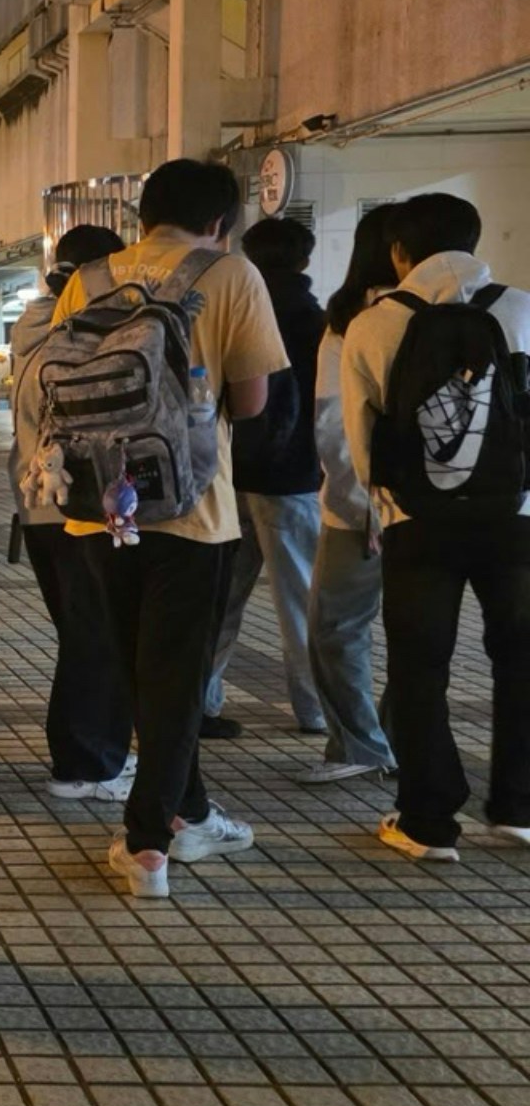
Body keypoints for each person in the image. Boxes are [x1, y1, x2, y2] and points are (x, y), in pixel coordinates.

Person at [29, 160, 281, 897]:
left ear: (142, 217)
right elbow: (253, 401)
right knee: (174, 675)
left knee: (141, 669)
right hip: (194, 509)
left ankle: (189, 812)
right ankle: (148, 846)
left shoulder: (89, 279)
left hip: (97, 507)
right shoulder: (230, 274)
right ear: (220, 221)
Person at [333, 190, 530, 861]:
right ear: (474, 240)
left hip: (418, 522)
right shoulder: (521, 309)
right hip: (514, 519)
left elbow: (360, 437)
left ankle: (428, 822)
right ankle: (519, 807)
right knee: (521, 659)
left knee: (420, 668)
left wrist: (383, 506)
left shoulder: (374, 324)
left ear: (398, 251)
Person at [14, 226, 138, 801]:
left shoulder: (34, 324)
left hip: (39, 506)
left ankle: (89, 755)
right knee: (95, 636)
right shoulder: (87, 328)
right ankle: (87, 765)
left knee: (83, 633)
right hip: (80, 506)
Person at [306, 202, 408, 788]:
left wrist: (360, 506)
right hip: (435, 504)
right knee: (416, 629)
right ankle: (397, 740)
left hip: (359, 509)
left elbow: (334, 423)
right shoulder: (458, 313)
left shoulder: (350, 322)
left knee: (336, 626)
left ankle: (362, 744)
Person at [221, 216, 330, 741]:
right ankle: (314, 709)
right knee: (300, 600)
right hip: (292, 477)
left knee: (221, 597)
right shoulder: (316, 323)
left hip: (229, 474)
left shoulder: (236, 313)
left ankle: (201, 698)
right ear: (304, 260)